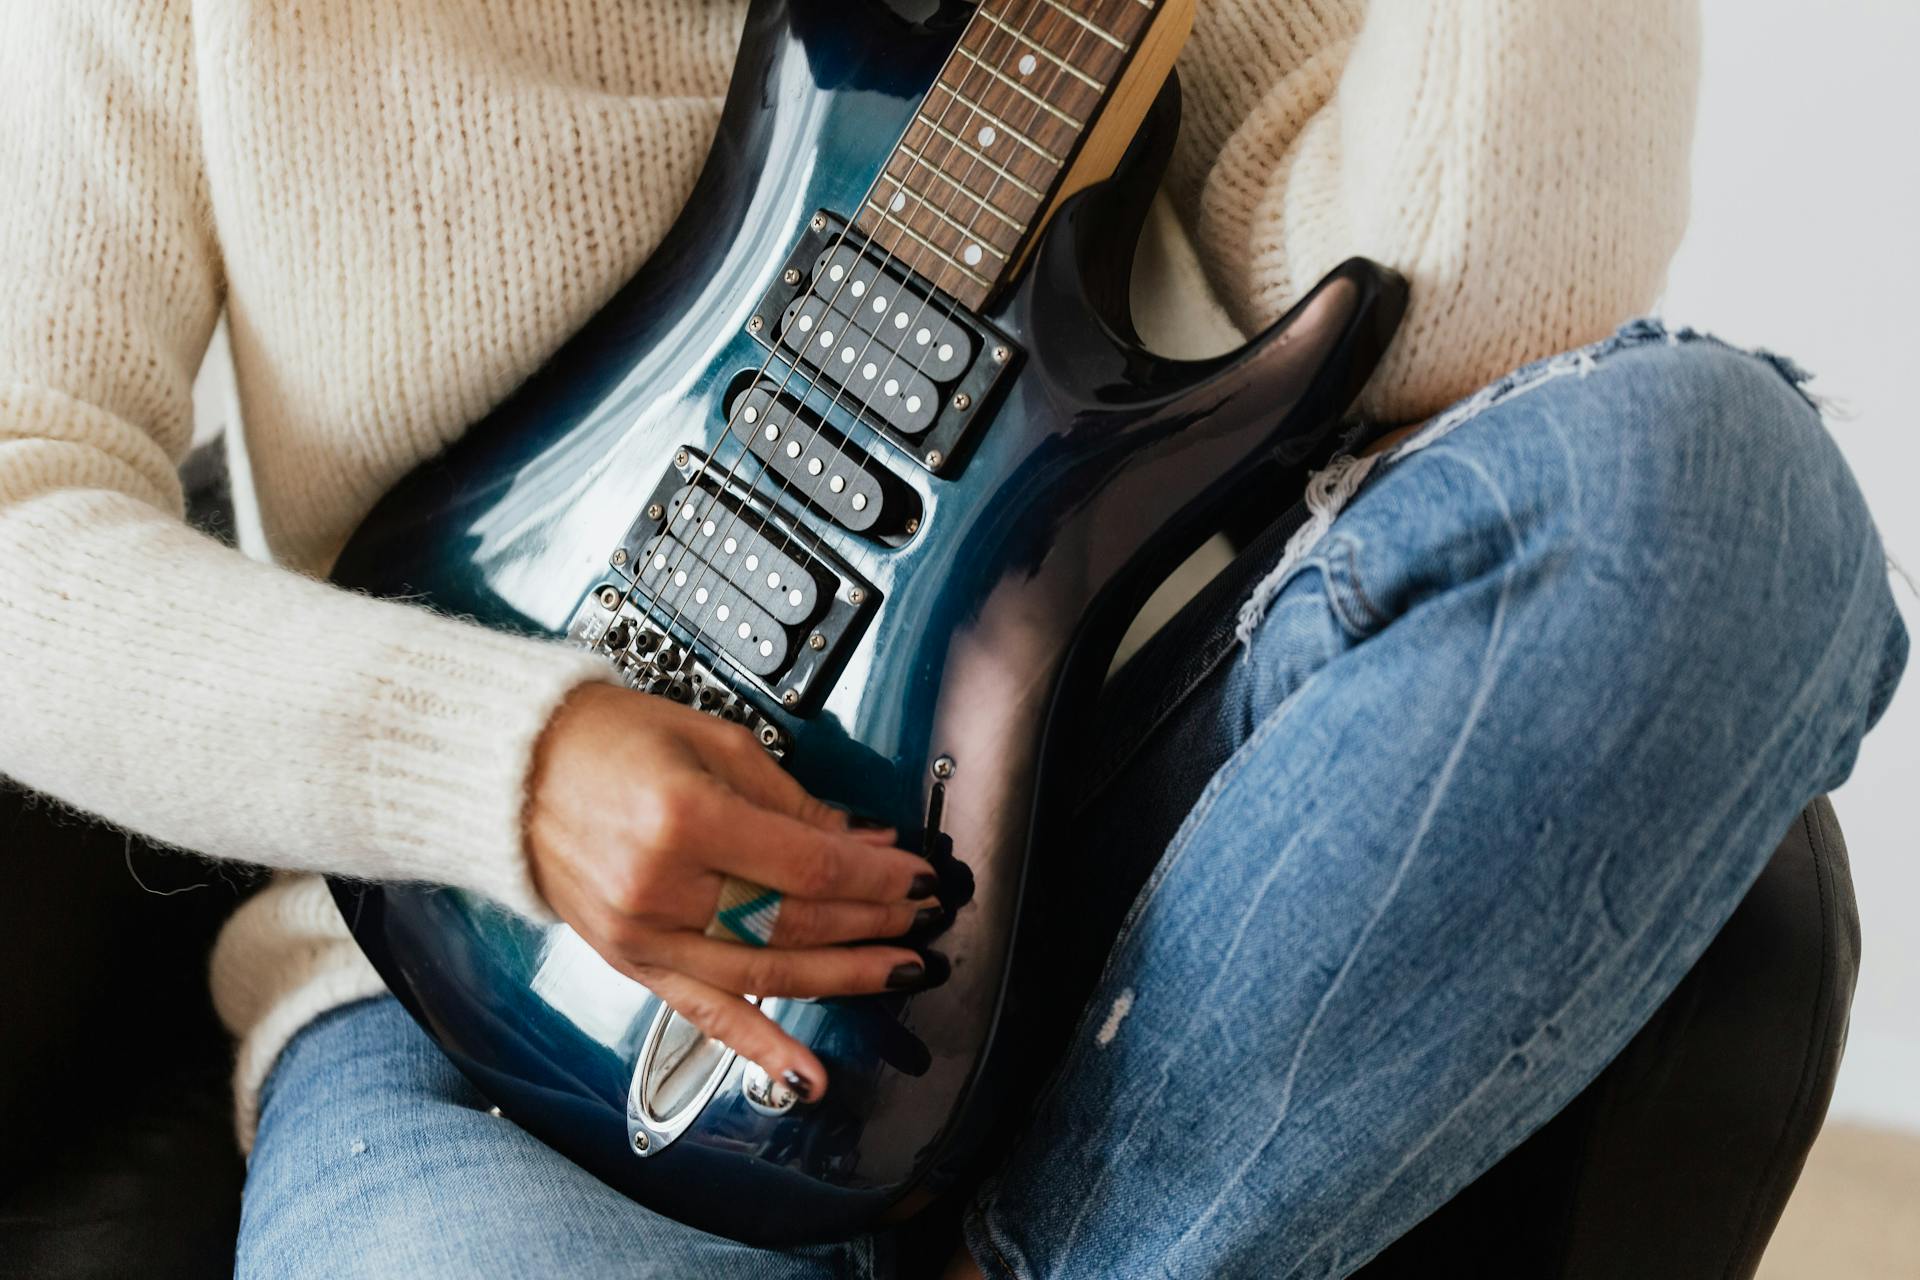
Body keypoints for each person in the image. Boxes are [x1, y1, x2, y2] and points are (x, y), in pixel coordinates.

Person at [0, 2, 1904, 1277]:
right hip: (479, 1009)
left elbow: (1497, 313)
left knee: (1707, 477)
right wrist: (506, 765)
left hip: (1119, 940)